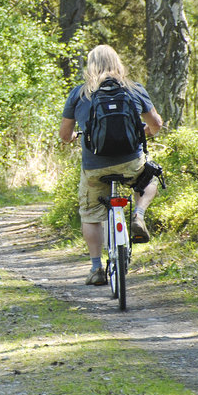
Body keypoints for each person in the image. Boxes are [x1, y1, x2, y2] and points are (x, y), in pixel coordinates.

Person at [59, 45, 164, 286]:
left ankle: (96, 268)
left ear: (90, 65)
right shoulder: (134, 89)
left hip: (95, 167)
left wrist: (76, 136)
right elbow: (156, 124)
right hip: (131, 163)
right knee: (150, 179)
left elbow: (65, 135)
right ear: (117, 62)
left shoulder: (79, 93)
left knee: (91, 214)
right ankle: (138, 214)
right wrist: (142, 133)